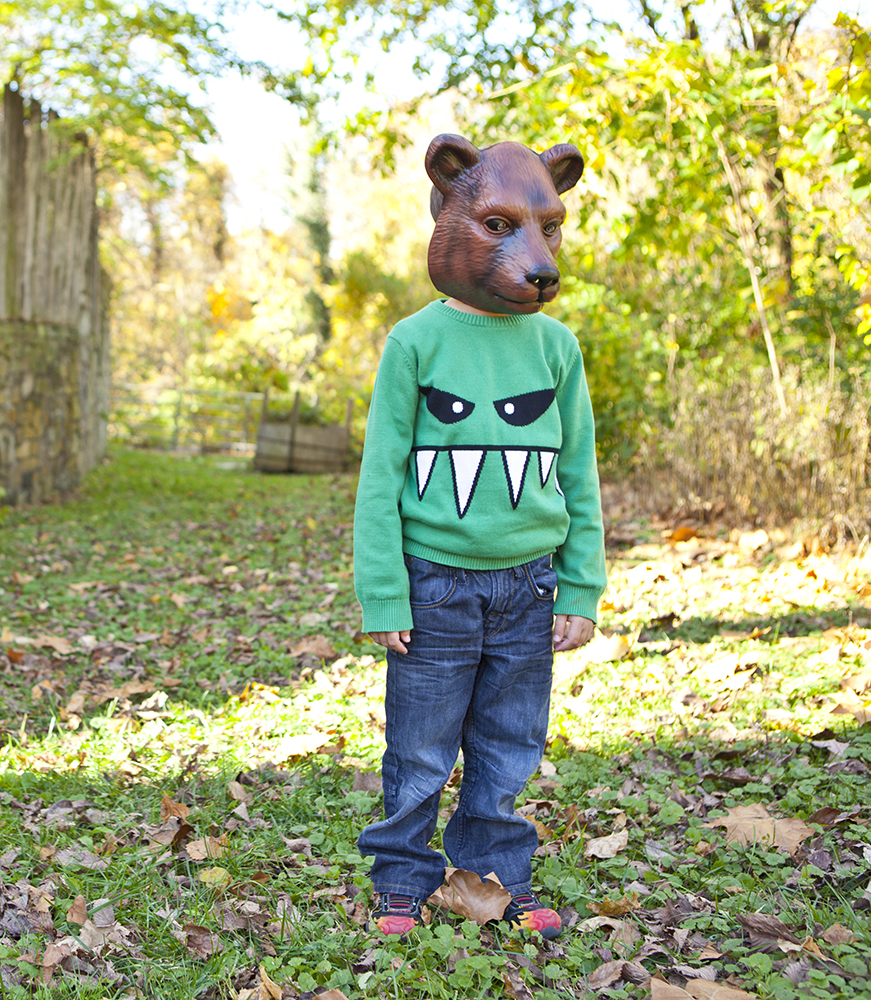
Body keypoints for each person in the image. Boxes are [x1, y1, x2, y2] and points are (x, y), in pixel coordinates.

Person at [352, 135, 607, 940]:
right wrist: (384, 590)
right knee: (421, 747)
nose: (536, 255)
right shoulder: (415, 342)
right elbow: (381, 476)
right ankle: (402, 873)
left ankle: (498, 871)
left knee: (508, 747)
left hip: (529, 586)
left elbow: (579, 474)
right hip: (435, 584)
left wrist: (581, 586)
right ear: (451, 202)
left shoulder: (557, 348)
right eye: (499, 224)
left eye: (546, 227)